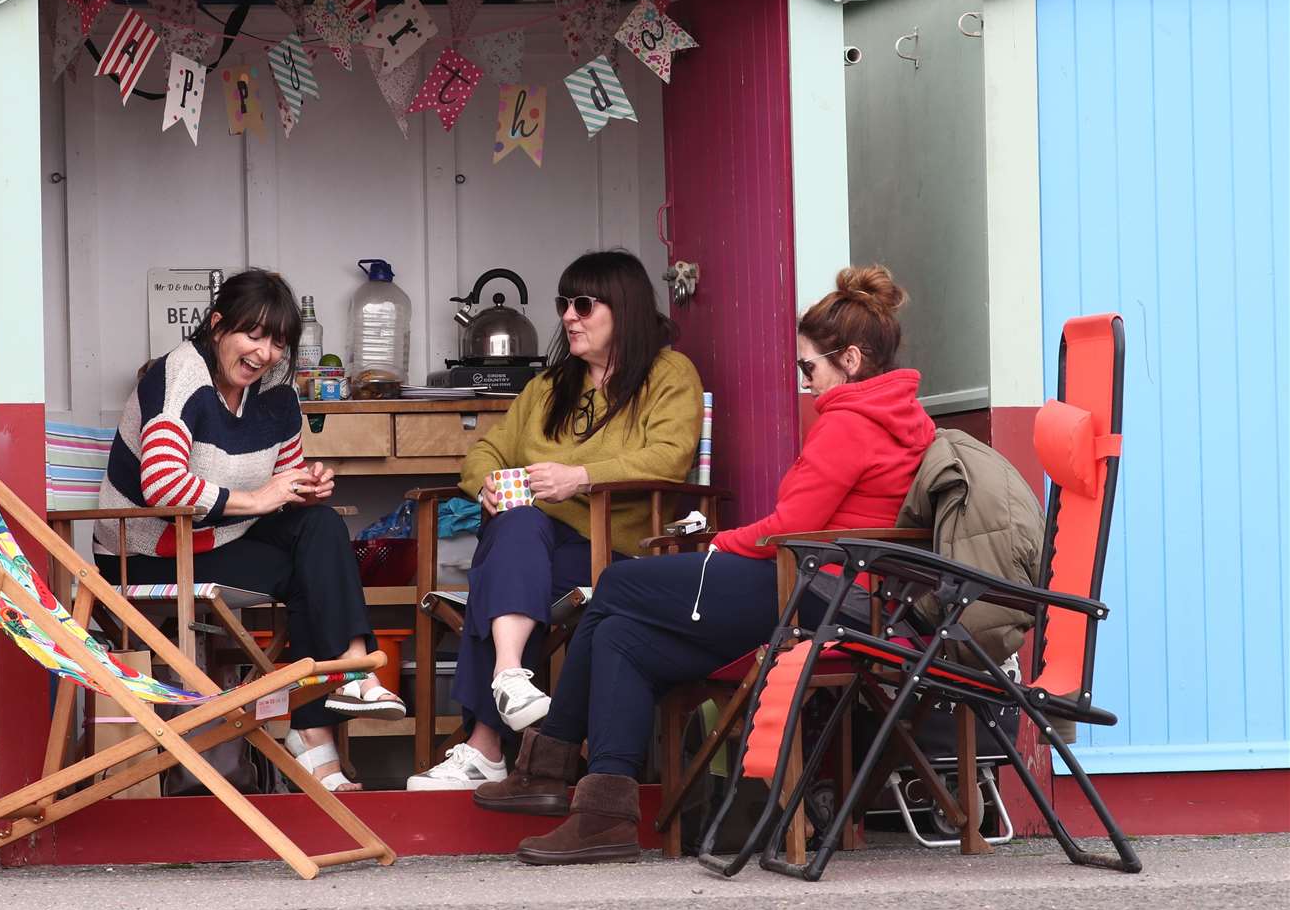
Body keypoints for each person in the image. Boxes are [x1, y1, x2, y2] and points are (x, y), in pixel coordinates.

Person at [472, 265, 934, 864]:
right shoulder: (900, 415)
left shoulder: (848, 423)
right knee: (622, 636)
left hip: (815, 591)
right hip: (840, 590)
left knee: (617, 584)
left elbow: (789, 528)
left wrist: (721, 543)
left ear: (848, 359)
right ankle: (601, 813)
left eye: (808, 368)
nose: (804, 383)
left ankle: (551, 762)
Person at [93, 268, 403, 793]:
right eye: (253, 335)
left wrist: (306, 484)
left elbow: (285, 472)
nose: (265, 354)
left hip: (223, 536)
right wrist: (260, 498)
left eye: (278, 342)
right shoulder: (177, 377)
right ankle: (319, 733)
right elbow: (162, 486)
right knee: (313, 574)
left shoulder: (277, 395)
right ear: (217, 327)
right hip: (151, 550)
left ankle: (351, 666)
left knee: (320, 527)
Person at [406, 250, 704, 791]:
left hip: (613, 554)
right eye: (564, 304)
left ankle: (485, 746)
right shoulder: (548, 388)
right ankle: (510, 678)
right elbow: (484, 453)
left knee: (497, 569)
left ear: (625, 309)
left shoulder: (668, 374)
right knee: (513, 528)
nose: (569, 316)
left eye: (584, 304)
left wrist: (581, 476)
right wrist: (488, 484)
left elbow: (669, 456)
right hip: (536, 550)